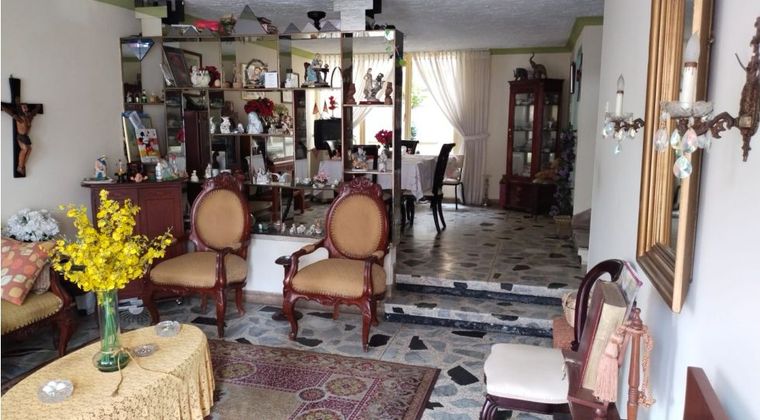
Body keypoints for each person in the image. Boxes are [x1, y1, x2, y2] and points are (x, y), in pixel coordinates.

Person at [2, 103, 41, 176]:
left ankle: (22, 166)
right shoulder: (20, 118)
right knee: (25, 149)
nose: (26, 109)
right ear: (20, 109)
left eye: (26, 107)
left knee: (29, 149)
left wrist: (38, 107)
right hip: (21, 136)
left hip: (25, 137)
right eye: (24, 107)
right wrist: (3, 107)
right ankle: (20, 167)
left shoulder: (29, 117)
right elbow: (11, 113)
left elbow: (34, 112)